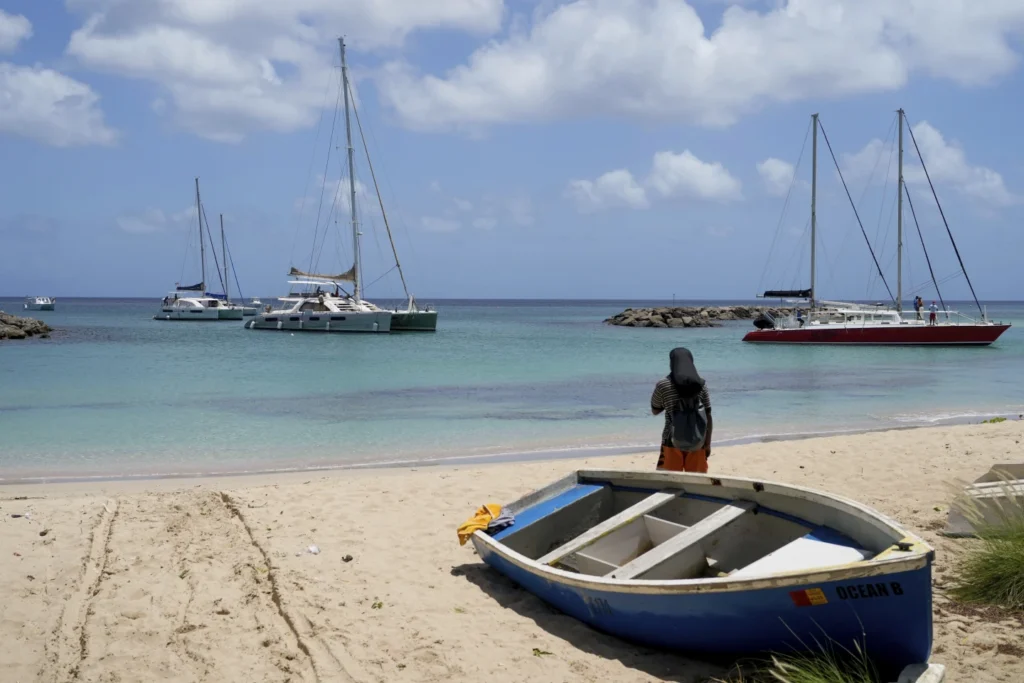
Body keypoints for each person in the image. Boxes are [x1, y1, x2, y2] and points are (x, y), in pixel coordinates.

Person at [651, 348, 713, 473]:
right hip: (699, 439)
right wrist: (707, 443)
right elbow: (708, 415)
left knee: (671, 482)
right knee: (696, 482)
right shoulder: (701, 384)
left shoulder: (663, 385)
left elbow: (655, 410)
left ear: (672, 363)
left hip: (671, 440)